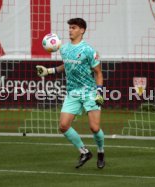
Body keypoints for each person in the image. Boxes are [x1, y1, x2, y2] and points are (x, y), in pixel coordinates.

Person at [36, 18, 105, 169]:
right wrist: (49, 71)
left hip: (90, 92)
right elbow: (66, 65)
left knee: (94, 128)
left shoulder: (88, 50)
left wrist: (100, 92)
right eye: (69, 28)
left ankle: (100, 151)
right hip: (72, 93)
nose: (70, 30)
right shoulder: (64, 48)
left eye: (73, 28)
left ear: (82, 30)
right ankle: (84, 152)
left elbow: (99, 73)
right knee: (63, 125)